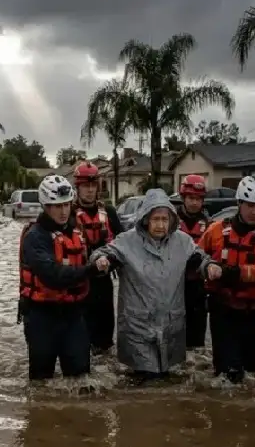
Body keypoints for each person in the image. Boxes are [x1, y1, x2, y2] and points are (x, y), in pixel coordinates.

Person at [90, 189, 222, 381]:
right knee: (143, 381)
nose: (161, 225)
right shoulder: (127, 241)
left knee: (169, 382)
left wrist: (210, 266)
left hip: (171, 324)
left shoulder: (182, 241)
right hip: (137, 325)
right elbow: (104, 253)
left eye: (165, 219)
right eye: (156, 219)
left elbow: (200, 258)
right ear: (145, 219)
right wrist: (102, 260)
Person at [198, 175, 255, 384]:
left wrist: (232, 272)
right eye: (250, 206)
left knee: (252, 369)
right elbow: (196, 255)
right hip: (223, 311)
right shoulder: (216, 230)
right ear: (239, 203)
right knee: (229, 373)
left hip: (254, 313)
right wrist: (208, 266)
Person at [18, 174, 99, 380]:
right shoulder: (35, 237)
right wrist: (91, 270)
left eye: (67, 205)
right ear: (45, 206)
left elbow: (94, 253)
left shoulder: (75, 232)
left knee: (82, 378)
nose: (64, 211)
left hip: (73, 314)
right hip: (41, 315)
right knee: (42, 381)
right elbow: (53, 276)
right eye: (57, 206)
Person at [72, 161, 124, 354]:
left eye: (93, 186)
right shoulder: (69, 214)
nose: (90, 191)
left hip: (104, 283)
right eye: (86, 186)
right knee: (81, 338)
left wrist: (111, 262)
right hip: (80, 283)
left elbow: (123, 243)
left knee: (105, 340)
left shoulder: (109, 212)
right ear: (78, 187)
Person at [176, 174, 211, 350]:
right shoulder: (171, 219)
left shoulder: (208, 223)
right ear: (183, 197)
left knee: (197, 333)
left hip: (197, 283)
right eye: (191, 198)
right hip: (174, 283)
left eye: (198, 199)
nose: (195, 203)